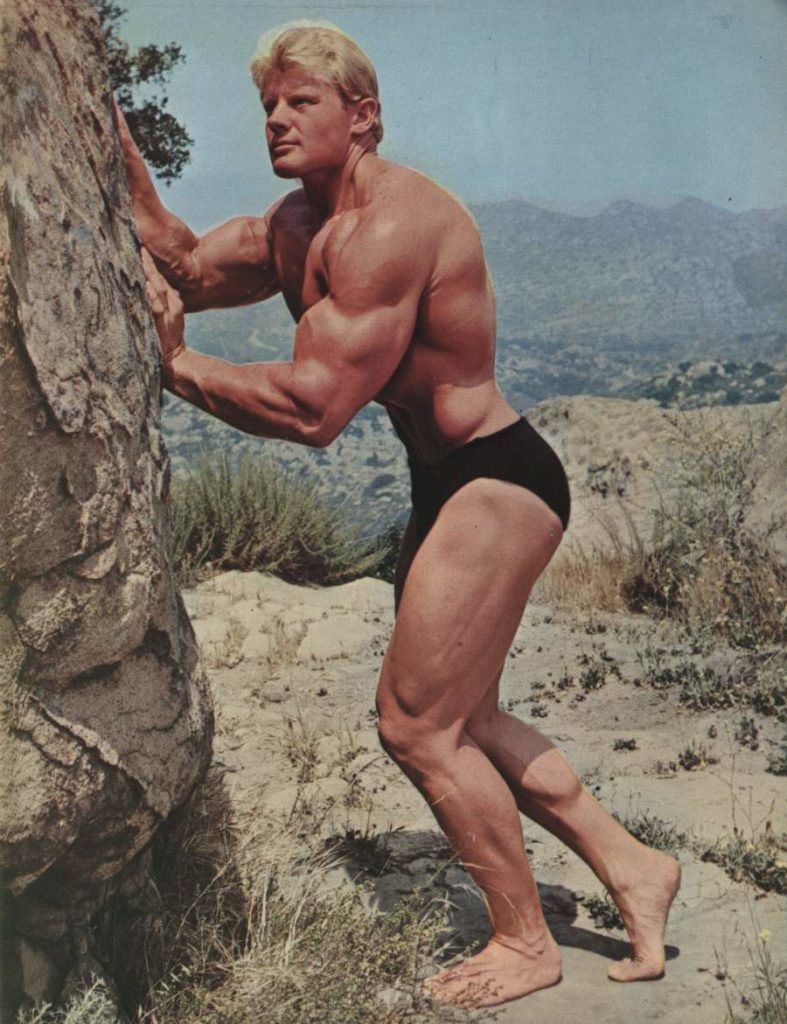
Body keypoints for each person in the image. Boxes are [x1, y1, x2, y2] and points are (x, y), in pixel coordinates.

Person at [117, 21, 680, 1008]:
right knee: (468, 716)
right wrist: (102, 129)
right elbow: (184, 266)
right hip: (444, 480)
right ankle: (635, 868)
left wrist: (177, 369)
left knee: (416, 726)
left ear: (362, 115)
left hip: (497, 478)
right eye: (268, 108)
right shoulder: (292, 228)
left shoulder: (390, 228)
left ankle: (524, 941)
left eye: (301, 102)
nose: (277, 121)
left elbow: (312, 407)